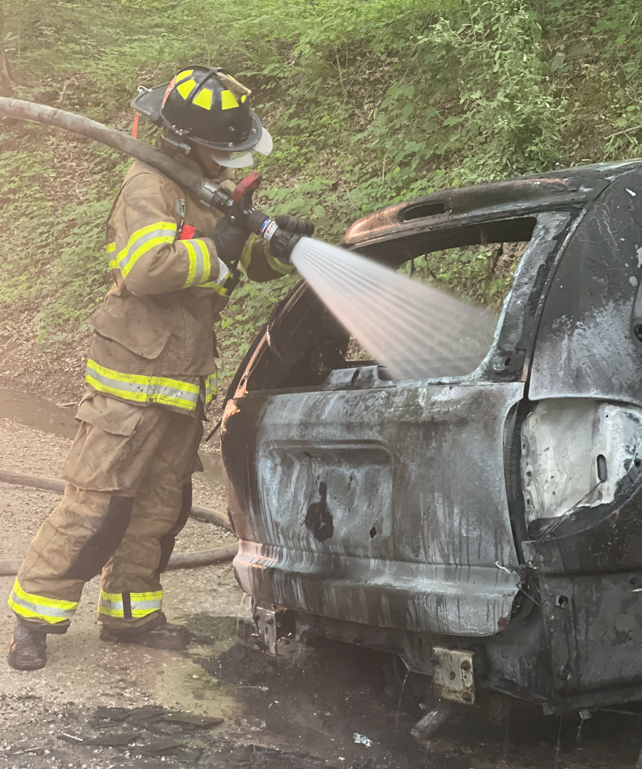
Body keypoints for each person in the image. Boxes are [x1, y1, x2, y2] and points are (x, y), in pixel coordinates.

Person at [7, 65, 313, 670]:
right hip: (129, 377)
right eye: (221, 148)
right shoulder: (147, 187)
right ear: (185, 139)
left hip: (180, 376)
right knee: (96, 501)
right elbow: (148, 269)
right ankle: (34, 619)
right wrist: (219, 245)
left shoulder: (203, 189)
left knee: (160, 506)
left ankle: (130, 612)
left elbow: (239, 263)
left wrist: (273, 250)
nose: (230, 159)